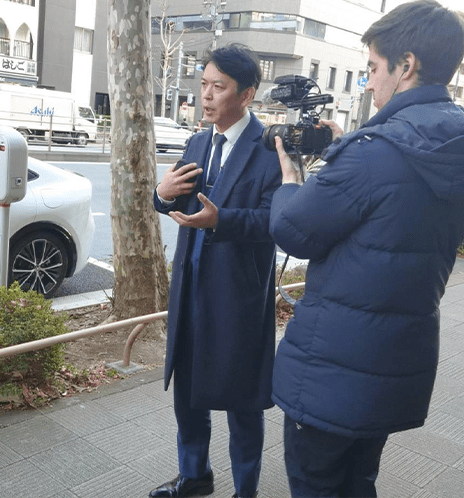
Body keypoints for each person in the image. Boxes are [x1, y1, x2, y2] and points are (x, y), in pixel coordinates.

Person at [269, 1, 464, 496]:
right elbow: (394, 203)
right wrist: (350, 150)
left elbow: (292, 230)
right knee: (359, 482)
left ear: (406, 65)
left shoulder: (373, 153)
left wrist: (290, 178)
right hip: (396, 360)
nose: (368, 83)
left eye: (373, 68)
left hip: (334, 366)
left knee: (317, 484)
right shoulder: (461, 145)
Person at [151, 44, 281, 498]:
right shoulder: (198, 141)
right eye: (203, 85)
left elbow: (275, 222)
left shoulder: (269, 151)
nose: (205, 96)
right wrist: (161, 194)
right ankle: (194, 476)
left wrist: (221, 220)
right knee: (187, 393)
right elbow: (175, 201)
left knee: (244, 403)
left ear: (246, 95)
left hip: (239, 296)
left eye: (217, 87)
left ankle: (246, 490)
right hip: (188, 289)